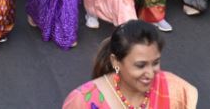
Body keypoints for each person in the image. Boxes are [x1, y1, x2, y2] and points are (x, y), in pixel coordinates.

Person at [63, 20, 198, 109]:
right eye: (140, 65)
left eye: (155, 63)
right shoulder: (82, 101)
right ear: (116, 61)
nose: (151, 74)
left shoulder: (173, 88)